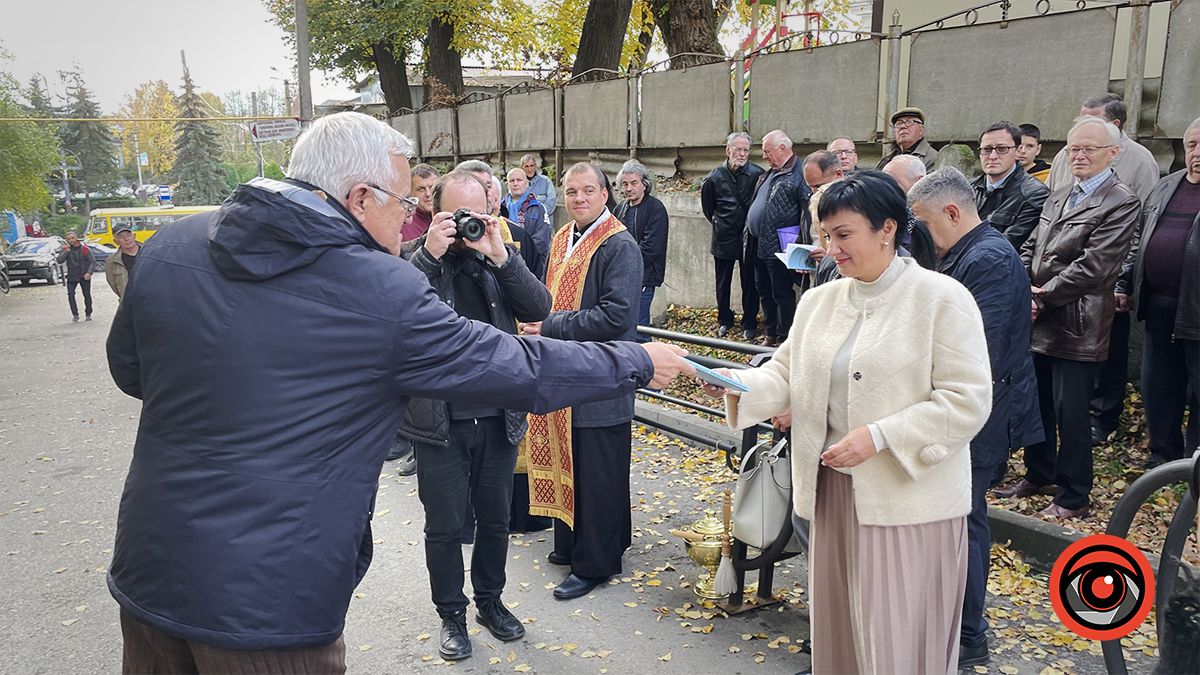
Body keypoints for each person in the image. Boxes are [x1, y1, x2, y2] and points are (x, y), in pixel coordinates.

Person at [104, 112, 692, 673]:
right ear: (360, 197)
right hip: (268, 599)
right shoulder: (377, 286)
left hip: (149, 570)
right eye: (405, 202)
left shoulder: (170, 247)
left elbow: (132, 372)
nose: (408, 216)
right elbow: (516, 365)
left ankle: (484, 603)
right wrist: (637, 359)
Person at [707, 170, 992, 675]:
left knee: (896, 628)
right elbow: (787, 373)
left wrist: (880, 437)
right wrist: (739, 384)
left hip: (906, 496)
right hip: (831, 487)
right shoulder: (820, 300)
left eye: (843, 235)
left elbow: (968, 401)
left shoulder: (941, 298)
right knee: (838, 620)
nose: (831, 249)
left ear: (887, 229)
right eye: (824, 237)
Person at [397, 170, 551, 661]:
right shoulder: (414, 259)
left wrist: (500, 255)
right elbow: (396, 309)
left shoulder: (499, 254)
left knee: (495, 519)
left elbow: (538, 305)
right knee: (443, 526)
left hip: (498, 413)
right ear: (434, 210)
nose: (468, 224)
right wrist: (430, 253)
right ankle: (451, 614)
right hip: (438, 421)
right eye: (455, 215)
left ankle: (489, 602)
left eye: (478, 214)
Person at [909, 167, 1043, 669]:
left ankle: (968, 633)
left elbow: (972, 347)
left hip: (986, 414)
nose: (917, 233)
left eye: (921, 221)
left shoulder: (987, 258)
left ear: (952, 212)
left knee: (965, 521)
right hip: (981, 408)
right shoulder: (969, 252)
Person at [997, 116, 1141, 519]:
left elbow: (1095, 267)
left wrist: (1041, 297)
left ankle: (1075, 493)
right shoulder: (1059, 194)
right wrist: (1024, 286)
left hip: (1078, 322)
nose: (1078, 155)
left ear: (1113, 153)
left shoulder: (1121, 200)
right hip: (1039, 316)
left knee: (1070, 411)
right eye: (1073, 148)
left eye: (1088, 149)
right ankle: (1039, 471)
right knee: (1036, 402)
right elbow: (1029, 246)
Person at [518, 162, 643, 601]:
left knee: (599, 468)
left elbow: (617, 316)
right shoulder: (562, 238)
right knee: (580, 464)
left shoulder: (619, 244)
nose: (579, 199)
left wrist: (548, 325)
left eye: (588, 191)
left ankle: (597, 562)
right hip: (567, 373)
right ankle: (576, 543)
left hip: (603, 374)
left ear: (605, 194)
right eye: (571, 192)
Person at [1046, 95, 1160, 444]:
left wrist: (1125, 280)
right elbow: (1043, 233)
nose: (1079, 151)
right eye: (1074, 145)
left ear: (1114, 136)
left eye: (1089, 141)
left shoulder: (1136, 165)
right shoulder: (1067, 166)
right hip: (1051, 295)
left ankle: (1104, 416)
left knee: (1107, 356)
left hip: (1099, 287)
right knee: (1053, 387)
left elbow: (1138, 229)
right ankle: (1046, 466)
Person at [1117, 116, 1200, 469]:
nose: (1198, 152)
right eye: (1193, 144)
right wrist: (1124, 282)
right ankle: (1162, 458)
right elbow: (1139, 239)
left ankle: (1194, 463)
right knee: (1158, 389)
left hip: (1197, 313)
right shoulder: (1167, 187)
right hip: (1158, 308)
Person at [746, 129, 812, 346]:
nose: (764, 156)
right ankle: (771, 332)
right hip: (759, 243)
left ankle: (785, 338)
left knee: (781, 293)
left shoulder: (799, 171)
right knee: (763, 290)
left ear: (782, 148)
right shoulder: (770, 173)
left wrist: (803, 244)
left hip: (783, 244)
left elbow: (807, 210)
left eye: (767, 151)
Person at [701, 131, 768, 339]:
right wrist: (722, 223)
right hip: (724, 236)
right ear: (728, 150)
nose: (742, 154)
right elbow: (708, 209)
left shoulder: (758, 174)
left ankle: (749, 322)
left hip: (748, 237)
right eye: (738, 149)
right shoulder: (713, 177)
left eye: (746, 150)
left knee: (750, 282)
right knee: (723, 282)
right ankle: (724, 319)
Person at [971, 121, 1050, 250]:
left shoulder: (1035, 194)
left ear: (1018, 150)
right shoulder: (967, 189)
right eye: (987, 149)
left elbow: (1007, 246)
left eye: (1002, 149)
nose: (992, 156)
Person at [615, 159, 669, 340]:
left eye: (633, 183)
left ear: (644, 185)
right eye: (625, 184)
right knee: (622, 324)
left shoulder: (655, 209)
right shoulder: (620, 208)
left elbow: (651, 248)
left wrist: (625, 265)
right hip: (619, 276)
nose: (629, 188)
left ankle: (646, 365)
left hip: (644, 276)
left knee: (640, 327)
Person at [881, 156, 939, 270]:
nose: (884, 188)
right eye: (881, 181)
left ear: (919, 181)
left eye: (892, 181)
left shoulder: (936, 221)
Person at [503, 167, 550, 267]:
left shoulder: (538, 208)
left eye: (519, 180)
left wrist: (519, 254)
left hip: (531, 264)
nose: (515, 183)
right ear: (507, 184)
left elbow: (542, 240)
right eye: (512, 181)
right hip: (503, 261)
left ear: (527, 183)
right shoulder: (499, 208)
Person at [876, 107, 938, 173]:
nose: (903, 126)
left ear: (921, 130)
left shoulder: (933, 159)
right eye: (899, 123)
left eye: (909, 122)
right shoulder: (888, 158)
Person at [57, 231, 94, 321]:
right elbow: (59, 260)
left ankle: (88, 313)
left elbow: (92, 261)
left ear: (76, 238)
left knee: (87, 295)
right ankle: (75, 314)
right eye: (68, 239)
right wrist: (66, 251)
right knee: (71, 294)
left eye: (72, 238)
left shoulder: (85, 249)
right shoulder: (65, 249)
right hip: (72, 276)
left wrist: (89, 272)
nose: (71, 240)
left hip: (84, 275)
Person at [401, 163, 438, 242]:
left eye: (432, 187)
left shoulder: (452, 217)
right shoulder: (403, 226)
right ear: (410, 193)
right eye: (421, 189)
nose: (428, 194)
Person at [105, 222, 141, 298]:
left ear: (134, 236)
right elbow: (113, 284)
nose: (126, 239)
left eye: (128, 235)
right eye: (121, 237)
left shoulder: (149, 253)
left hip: (152, 301)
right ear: (116, 241)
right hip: (129, 303)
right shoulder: (112, 261)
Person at [520, 153, 556, 226]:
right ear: (522, 168)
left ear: (535, 166)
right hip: (525, 224)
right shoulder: (519, 183)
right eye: (526, 166)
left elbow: (552, 201)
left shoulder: (546, 181)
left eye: (531, 166)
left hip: (544, 223)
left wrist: (539, 215)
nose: (529, 169)